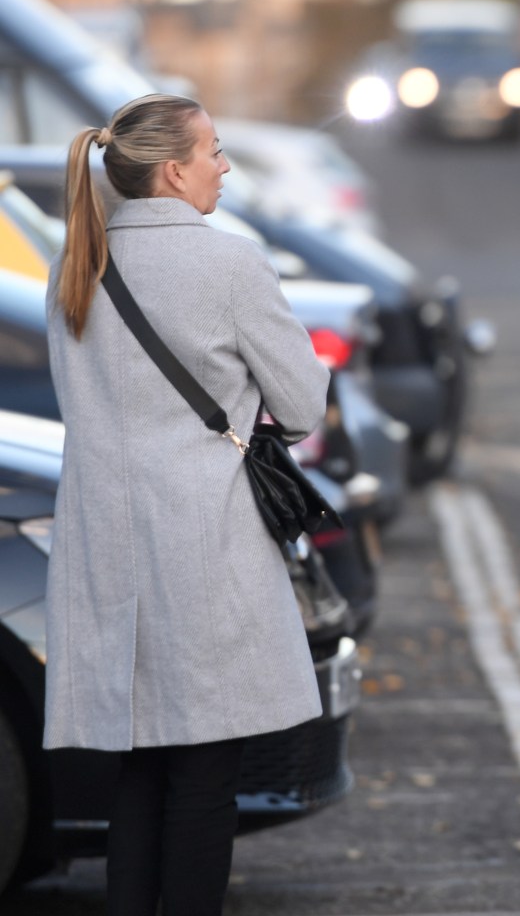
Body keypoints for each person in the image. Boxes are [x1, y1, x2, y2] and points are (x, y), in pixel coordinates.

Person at [45, 94, 331, 915]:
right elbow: (303, 404)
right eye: (213, 151)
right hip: (204, 548)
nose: (225, 164)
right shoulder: (230, 264)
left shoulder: (76, 267)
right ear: (173, 169)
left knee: (137, 774)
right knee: (206, 780)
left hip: (105, 550)